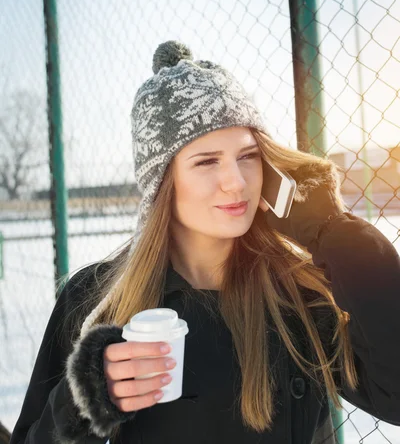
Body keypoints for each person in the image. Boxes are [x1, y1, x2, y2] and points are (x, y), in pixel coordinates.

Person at [11, 41, 400, 444]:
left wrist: (333, 233)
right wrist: (83, 400)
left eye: (248, 156)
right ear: (162, 182)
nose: (236, 181)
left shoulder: (298, 293)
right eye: (206, 161)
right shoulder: (97, 300)